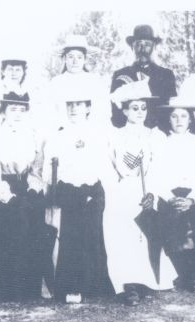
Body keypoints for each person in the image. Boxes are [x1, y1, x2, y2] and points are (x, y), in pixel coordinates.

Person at [103, 81, 178, 306]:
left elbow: (160, 169)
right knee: (122, 236)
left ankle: (146, 280)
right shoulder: (113, 136)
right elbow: (106, 168)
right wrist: (115, 189)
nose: (139, 112)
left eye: (143, 108)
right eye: (134, 108)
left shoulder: (155, 136)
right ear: (124, 110)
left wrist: (152, 194)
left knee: (144, 235)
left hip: (145, 191)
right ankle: (128, 284)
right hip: (120, 189)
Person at [42, 87, 113, 304]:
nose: (74, 109)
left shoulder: (98, 134)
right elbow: (48, 168)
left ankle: (93, 285)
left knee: (92, 235)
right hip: (68, 191)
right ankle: (71, 285)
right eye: (70, 105)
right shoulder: (57, 136)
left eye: (79, 104)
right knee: (70, 238)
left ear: (88, 108)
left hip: (91, 190)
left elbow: (103, 165)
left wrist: (95, 191)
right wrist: (57, 190)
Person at [0, 92, 46, 302]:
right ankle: (6, 290)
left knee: (32, 232)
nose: (17, 114)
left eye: (21, 110)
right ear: (3, 112)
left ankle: (29, 289)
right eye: (12, 109)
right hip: (3, 189)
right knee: (7, 234)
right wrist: (6, 196)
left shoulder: (33, 134)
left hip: (26, 186)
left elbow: (37, 167)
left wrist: (33, 188)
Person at [153, 96, 195, 292]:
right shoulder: (162, 143)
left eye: (183, 116)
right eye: (174, 116)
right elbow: (156, 175)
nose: (179, 120)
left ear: (190, 119)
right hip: (170, 195)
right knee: (172, 231)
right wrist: (170, 197)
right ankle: (179, 275)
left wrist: (191, 198)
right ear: (169, 120)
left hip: (194, 194)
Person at [110, 24, 177, 132]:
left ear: (154, 47)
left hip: (158, 133)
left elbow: (170, 109)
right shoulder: (120, 75)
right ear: (132, 47)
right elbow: (116, 110)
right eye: (138, 44)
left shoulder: (166, 75)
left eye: (147, 44)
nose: (142, 49)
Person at [43, 35, 110, 129]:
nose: (75, 61)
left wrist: (90, 129)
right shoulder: (56, 83)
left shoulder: (94, 82)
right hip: (62, 133)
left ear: (85, 59)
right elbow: (49, 111)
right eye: (70, 57)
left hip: (90, 132)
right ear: (64, 59)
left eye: (79, 57)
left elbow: (103, 110)